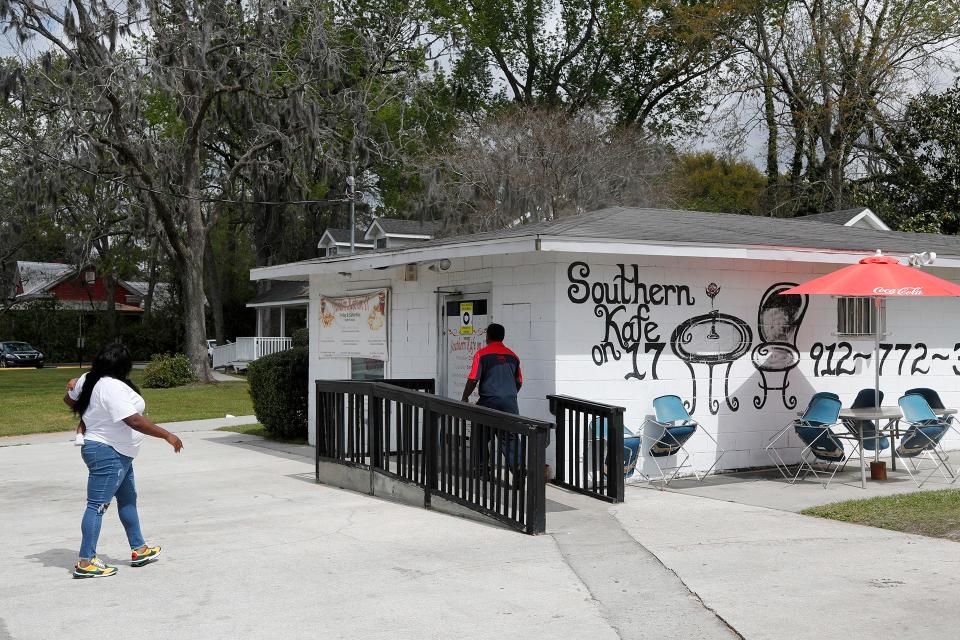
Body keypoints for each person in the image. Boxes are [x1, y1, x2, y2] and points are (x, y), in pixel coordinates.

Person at [63, 343, 183, 578]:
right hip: (108, 453)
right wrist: (168, 435)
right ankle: (86, 561)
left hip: (120, 454)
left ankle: (139, 550)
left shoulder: (89, 378)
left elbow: (70, 400)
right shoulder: (111, 386)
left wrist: (89, 413)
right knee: (97, 506)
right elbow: (134, 421)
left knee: (128, 500)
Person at [461, 323, 523, 471]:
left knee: (480, 435)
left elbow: (473, 379)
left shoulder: (481, 354)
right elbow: (519, 382)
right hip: (510, 404)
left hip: (488, 402)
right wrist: (507, 396)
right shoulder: (513, 356)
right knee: (510, 438)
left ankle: (481, 469)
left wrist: (465, 397)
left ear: (487, 336)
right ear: (503, 337)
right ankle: (518, 468)